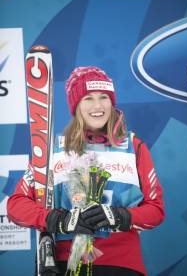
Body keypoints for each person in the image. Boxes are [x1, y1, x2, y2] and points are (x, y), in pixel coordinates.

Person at [7, 66, 165, 276]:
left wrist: (117, 216)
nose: (98, 105)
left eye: (104, 97)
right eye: (88, 98)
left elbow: (155, 210)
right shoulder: (53, 150)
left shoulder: (133, 146)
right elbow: (16, 205)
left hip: (122, 265)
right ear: (76, 105)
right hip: (67, 265)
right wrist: (57, 220)